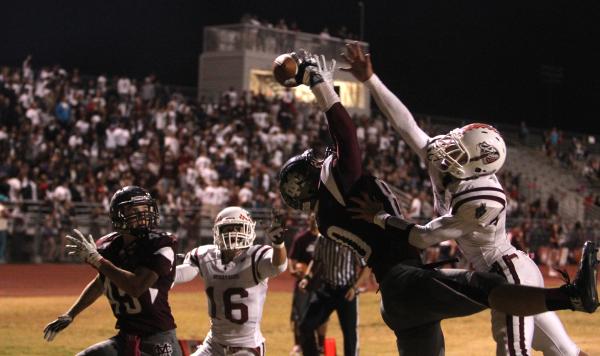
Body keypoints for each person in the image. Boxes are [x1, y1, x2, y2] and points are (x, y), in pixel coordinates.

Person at [277, 51, 599, 356]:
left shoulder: (484, 198)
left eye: (458, 150)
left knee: (515, 333)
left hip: (504, 271)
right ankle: (570, 296)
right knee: (556, 345)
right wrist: (367, 80)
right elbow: (403, 127)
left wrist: (380, 218)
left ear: (477, 167)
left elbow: (423, 236)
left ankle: (571, 296)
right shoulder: (445, 164)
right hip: (436, 276)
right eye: (455, 143)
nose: (447, 149)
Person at [43, 186, 183, 356]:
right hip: (125, 338)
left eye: (144, 209)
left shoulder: (161, 243)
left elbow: (136, 286)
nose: (142, 215)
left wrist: (97, 260)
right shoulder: (109, 245)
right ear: (118, 214)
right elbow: (102, 281)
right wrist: (71, 314)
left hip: (158, 340)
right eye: (134, 210)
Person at [173, 207, 288, 356]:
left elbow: (278, 265)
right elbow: (186, 272)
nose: (233, 233)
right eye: (228, 228)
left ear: (249, 230)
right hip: (213, 344)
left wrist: (278, 244)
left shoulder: (255, 256)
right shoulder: (206, 255)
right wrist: (162, 272)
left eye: (238, 227)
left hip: (247, 347)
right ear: (217, 232)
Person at [297, 232, 371, 356]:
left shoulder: (350, 239)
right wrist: (306, 278)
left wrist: (354, 288)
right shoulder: (322, 239)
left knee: (349, 335)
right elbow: (315, 261)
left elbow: (366, 267)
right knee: (305, 326)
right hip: (326, 290)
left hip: (347, 292)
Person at [287, 214, 327, 356]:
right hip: (303, 284)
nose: (314, 221)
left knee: (322, 317)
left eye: (317, 218)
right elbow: (292, 260)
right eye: (312, 219)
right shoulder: (301, 239)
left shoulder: (326, 238)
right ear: (309, 221)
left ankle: (321, 346)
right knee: (299, 316)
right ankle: (298, 345)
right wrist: (295, 271)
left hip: (322, 283)